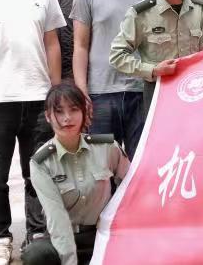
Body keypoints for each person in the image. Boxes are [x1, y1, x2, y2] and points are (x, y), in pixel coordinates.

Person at [0, 0, 66, 263]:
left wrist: (55, 91)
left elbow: (52, 44)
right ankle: (1, 236)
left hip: (38, 97)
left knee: (37, 172)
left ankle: (37, 236)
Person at [71, 0, 159, 161]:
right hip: (100, 93)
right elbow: (80, 46)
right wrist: (82, 90)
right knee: (101, 166)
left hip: (142, 91)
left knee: (140, 163)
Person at [23, 83, 129, 265]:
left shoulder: (107, 147)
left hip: (102, 234)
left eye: (73, 109)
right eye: (59, 111)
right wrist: (69, 261)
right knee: (35, 254)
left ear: (84, 112)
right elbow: (57, 219)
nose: (67, 118)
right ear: (48, 116)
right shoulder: (41, 162)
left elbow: (131, 188)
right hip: (62, 237)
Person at [110, 0, 203, 113]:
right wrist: (152, 70)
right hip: (158, 92)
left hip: (194, 90)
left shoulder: (199, 10)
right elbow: (117, 56)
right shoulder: (141, 13)